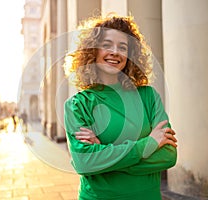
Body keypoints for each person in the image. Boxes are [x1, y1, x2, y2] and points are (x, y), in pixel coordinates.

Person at [63, 14, 177, 200]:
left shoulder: (148, 97)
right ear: (93, 51)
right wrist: (148, 144)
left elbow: (168, 155)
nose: (115, 52)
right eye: (107, 45)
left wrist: (104, 157)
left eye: (122, 47)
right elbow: (84, 163)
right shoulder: (78, 105)